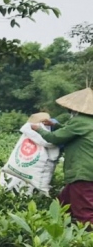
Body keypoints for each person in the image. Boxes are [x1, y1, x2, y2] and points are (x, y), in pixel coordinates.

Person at [32, 88, 93, 225]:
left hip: (83, 173)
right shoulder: (88, 122)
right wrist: (56, 125)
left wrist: (37, 129)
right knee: (61, 206)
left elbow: (55, 138)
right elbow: (70, 132)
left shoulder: (80, 121)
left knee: (85, 214)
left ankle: (88, 242)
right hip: (83, 174)